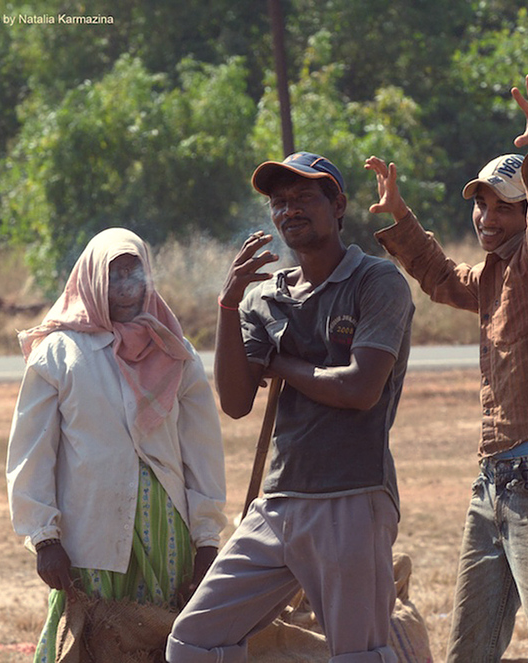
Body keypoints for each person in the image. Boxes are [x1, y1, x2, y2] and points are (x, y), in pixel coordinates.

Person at [366, 74, 528, 662]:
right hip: (491, 484)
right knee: (468, 651)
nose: (487, 218)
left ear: (527, 212)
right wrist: (401, 214)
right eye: (480, 205)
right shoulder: (491, 276)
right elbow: (440, 279)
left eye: (503, 207)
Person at [166, 152, 414, 663]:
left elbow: (359, 389)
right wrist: (228, 304)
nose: (289, 210)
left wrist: (281, 366)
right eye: (279, 202)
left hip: (352, 495)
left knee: (358, 655)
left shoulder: (376, 282)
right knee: (193, 642)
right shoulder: (263, 299)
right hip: (279, 503)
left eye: (304, 197)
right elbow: (235, 403)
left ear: (339, 205)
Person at [6, 227, 227, 663]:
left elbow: (202, 451)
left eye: (134, 273)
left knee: (160, 638)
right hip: (91, 534)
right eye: (114, 276)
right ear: (91, 280)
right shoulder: (59, 353)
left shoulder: (175, 350)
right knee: (93, 640)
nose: (126, 288)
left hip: (169, 533)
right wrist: (44, 537)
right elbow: (32, 452)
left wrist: (206, 540)